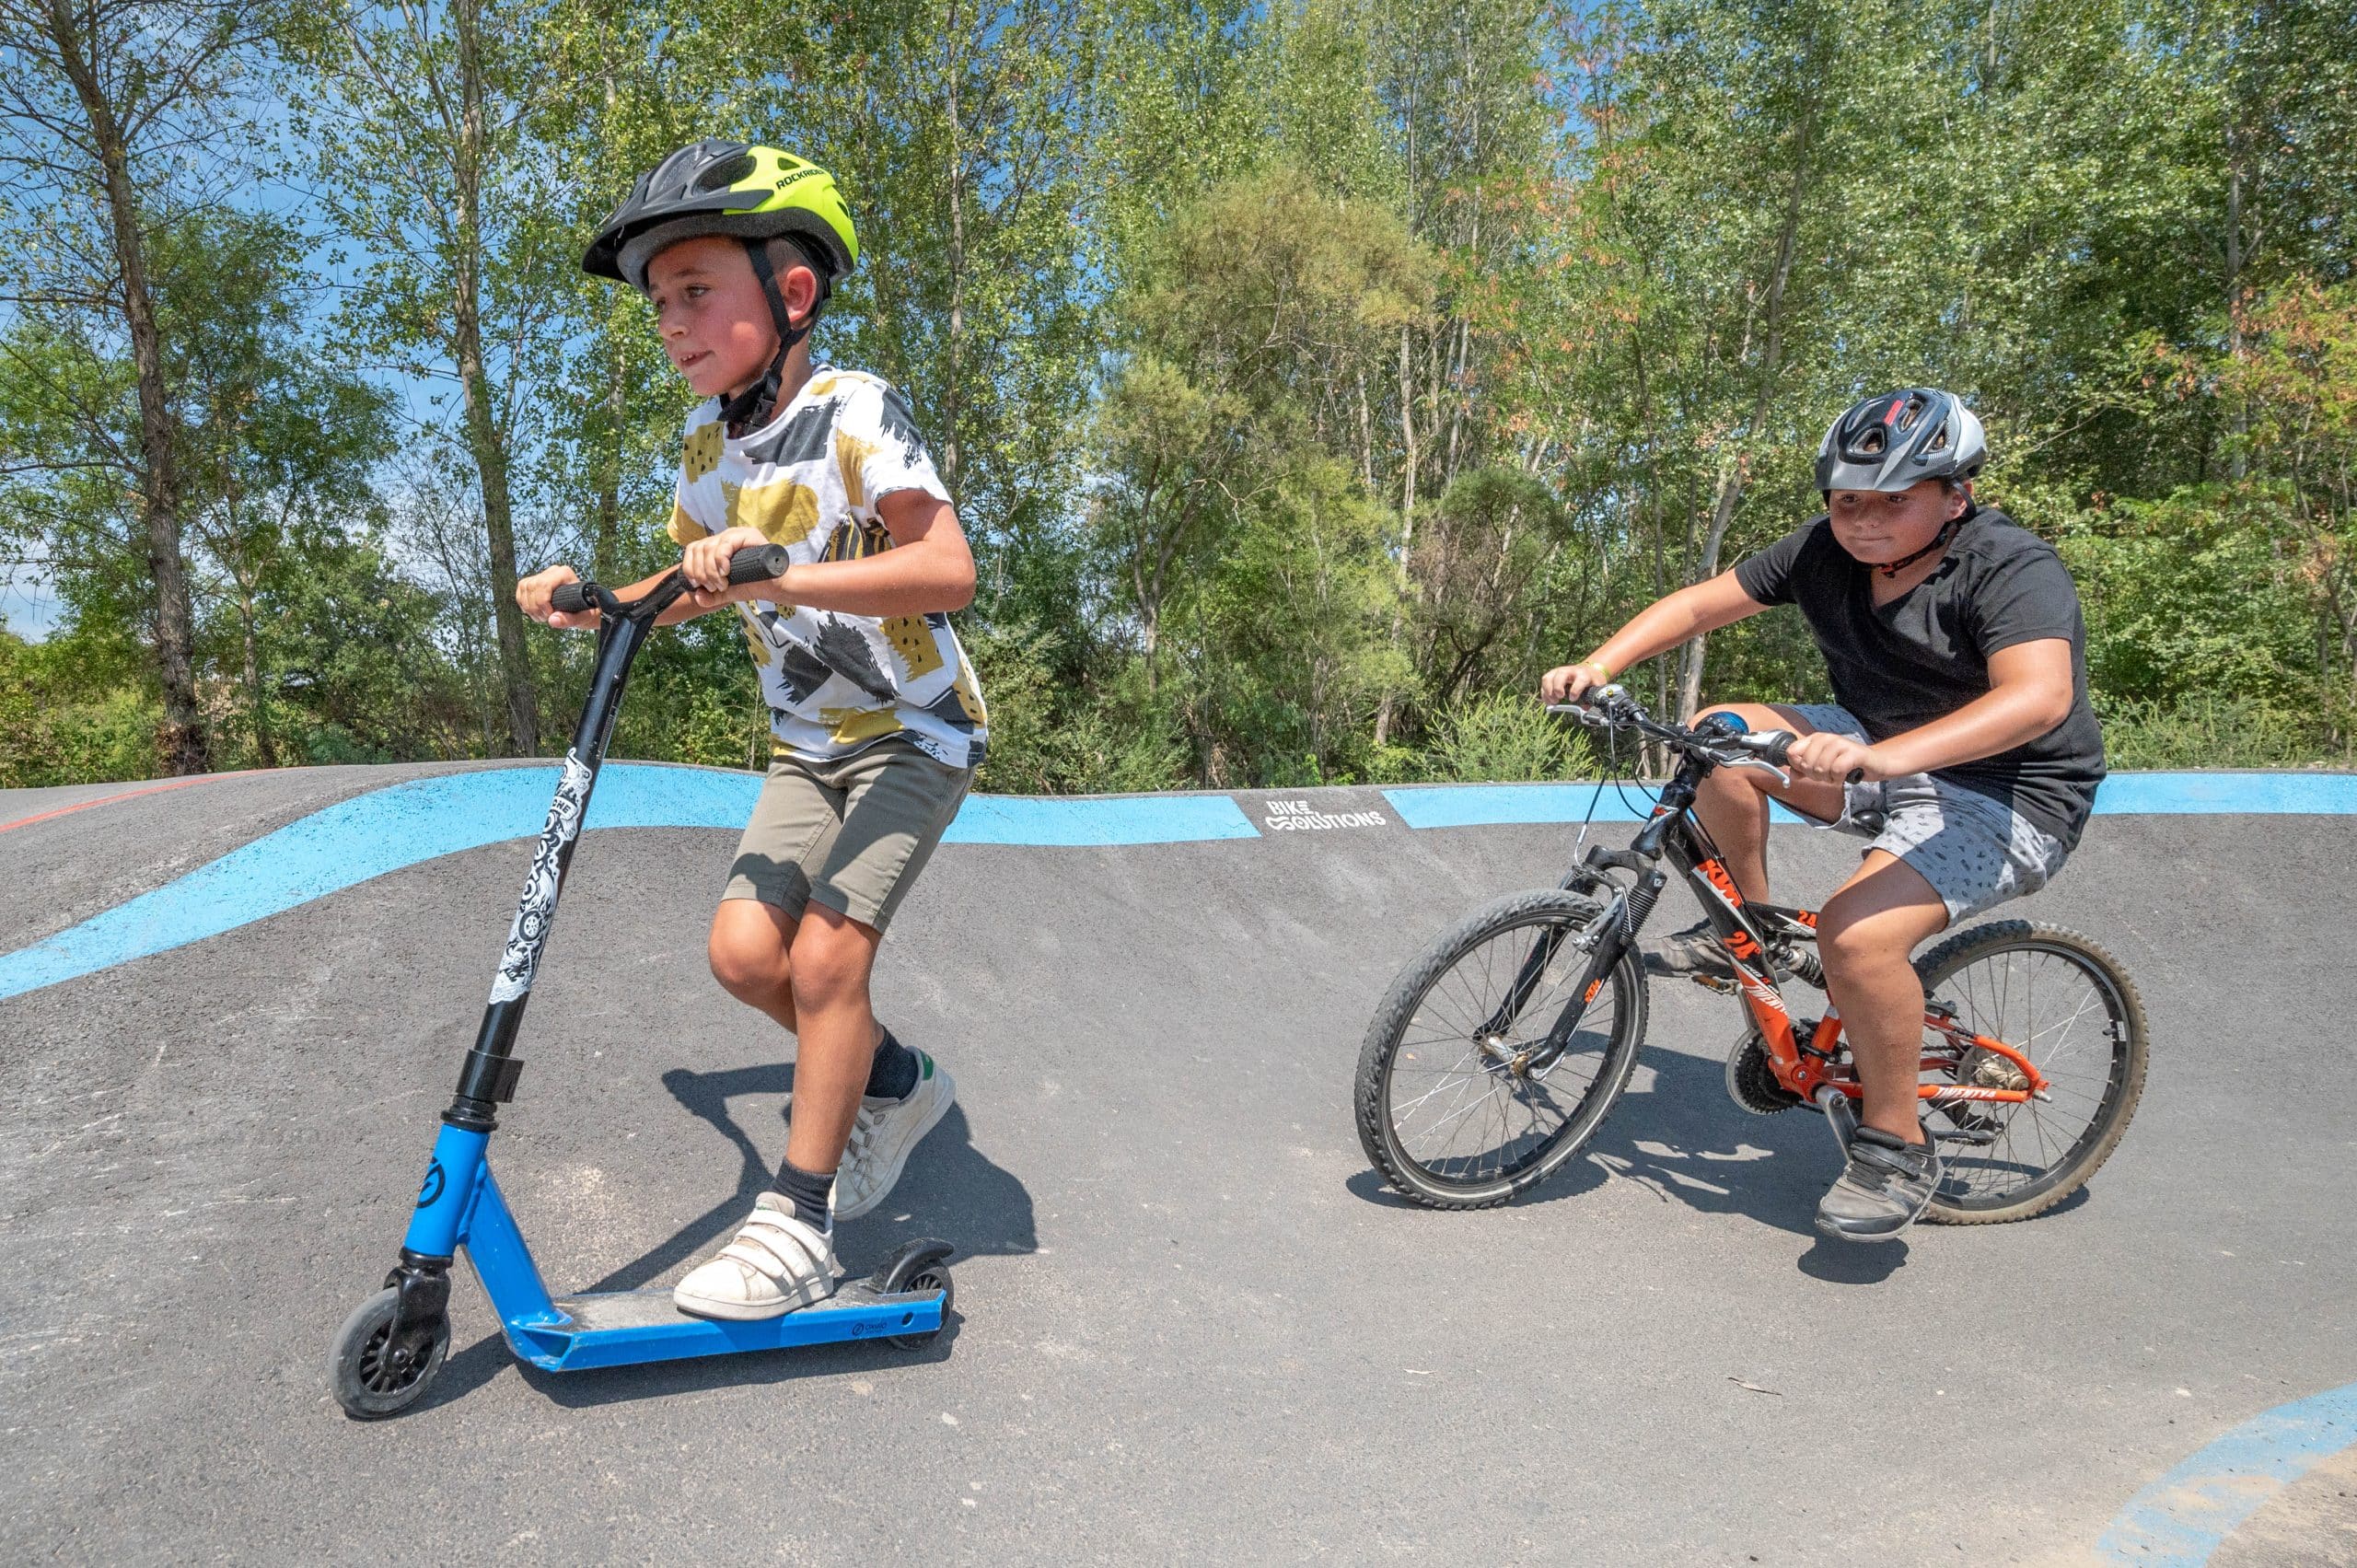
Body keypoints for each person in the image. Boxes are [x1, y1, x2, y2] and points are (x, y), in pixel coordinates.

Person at [518, 139, 986, 1317]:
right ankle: (893, 1080)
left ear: (790, 292)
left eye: (694, 292)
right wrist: (603, 600)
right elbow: (698, 580)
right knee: (744, 956)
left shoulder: (854, 408)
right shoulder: (704, 452)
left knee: (829, 960)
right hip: (809, 746)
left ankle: (799, 1221)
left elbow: (946, 569)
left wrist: (784, 574)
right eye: (656, 304)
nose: (669, 322)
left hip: (916, 730)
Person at [1539, 388, 2104, 1243]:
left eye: (1893, 501)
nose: (1865, 521)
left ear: (1956, 496)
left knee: (1854, 938)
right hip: (1875, 748)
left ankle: (1897, 1145)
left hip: (2009, 792)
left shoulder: (2011, 567)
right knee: (1717, 737)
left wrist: (1888, 755)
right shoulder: (1823, 552)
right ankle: (1759, 929)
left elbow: (2038, 698)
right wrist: (1598, 662)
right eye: (1848, 501)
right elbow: (1700, 605)